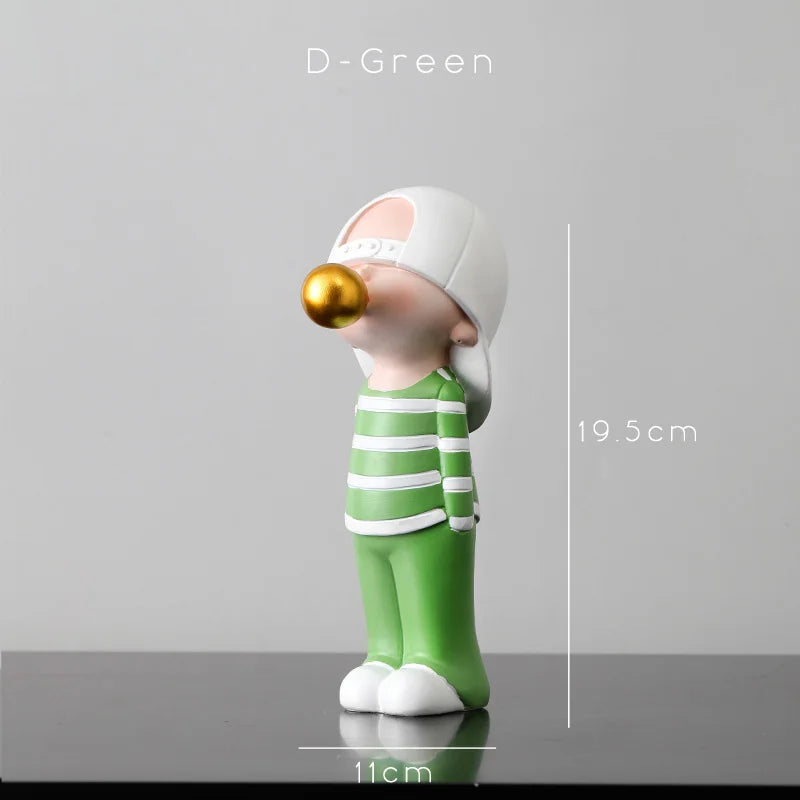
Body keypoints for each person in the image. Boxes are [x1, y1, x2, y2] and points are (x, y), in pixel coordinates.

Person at [322, 186, 507, 716]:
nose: (360, 277)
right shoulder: (369, 392)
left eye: (389, 264)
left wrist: (459, 514)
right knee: (380, 593)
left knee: (429, 596)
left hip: (430, 519)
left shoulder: (442, 393)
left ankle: (444, 666)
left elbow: (453, 456)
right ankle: (385, 656)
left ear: (463, 322)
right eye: (353, 262)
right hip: (367, 520)